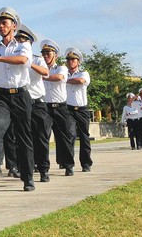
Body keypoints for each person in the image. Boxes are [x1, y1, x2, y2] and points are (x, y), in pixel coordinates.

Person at [0, 7, 36, 192]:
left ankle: (28, 178)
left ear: (14, 25)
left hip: (20, 94)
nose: (1, 26)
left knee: (23, 137)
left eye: (4, 23)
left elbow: (22, 60)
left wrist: (0, 60)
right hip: (2, 95)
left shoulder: (22, 45)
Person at [41, 39, 75, 176]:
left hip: (60, 107)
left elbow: (59, 77)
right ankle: (43, 166)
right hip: (45, 107)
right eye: (43, 53)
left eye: (48, 53)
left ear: (55, 55)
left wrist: (42, 76)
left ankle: (68, 165)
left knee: (65, 137)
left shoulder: (61, 68)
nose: (45, 56)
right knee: (42, 137)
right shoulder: (39, 67)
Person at [23, 25, 52, 183]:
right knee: (24, 137)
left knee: (41, 137)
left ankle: (43, 169)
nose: (20, 43)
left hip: (37, 103)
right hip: (22, 102)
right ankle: (26, 168)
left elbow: (45, 72)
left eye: (24, 40)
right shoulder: (13, 57)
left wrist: (28, 63)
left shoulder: (37, 59)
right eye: (18, 40)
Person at [65, 47, 92, 172]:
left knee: (84, 136)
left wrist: (66, 81)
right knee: (70, 135)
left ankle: (86, 163)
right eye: (69, 60)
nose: (71, 62)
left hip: (81, 109)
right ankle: (69, 165)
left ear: (78, 62)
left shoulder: (83, 73)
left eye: (73, 60)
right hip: (68, 109)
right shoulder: (63, 73)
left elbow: (81, 81)